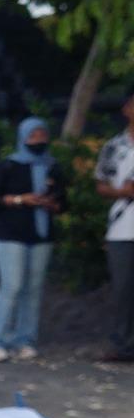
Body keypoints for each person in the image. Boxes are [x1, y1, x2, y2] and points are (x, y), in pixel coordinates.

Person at [0, 117, 68, 362]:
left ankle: (24, 339)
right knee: (12, 286)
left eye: (42, 135)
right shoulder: (9, 165)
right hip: (11, 232)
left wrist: (52, 204)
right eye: (33, 136)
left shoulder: (53, 166)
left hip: (41, 234)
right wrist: (21, 200)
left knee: (34, 288)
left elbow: (64, 202)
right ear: (23, 138)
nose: (38, 140)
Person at [95, 90, 134, 363]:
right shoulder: (113, 146)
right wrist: (122, 192)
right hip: (122, 227)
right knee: (123, 289)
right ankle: (122, 344)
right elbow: (101, 185)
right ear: (126, 109)